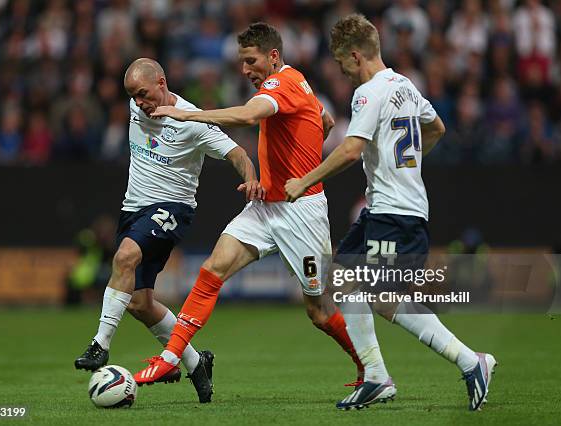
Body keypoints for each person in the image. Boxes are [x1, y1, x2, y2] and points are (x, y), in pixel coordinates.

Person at [132, 23, 366, 389]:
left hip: (302, 211)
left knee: (318, 312)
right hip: (265, 206)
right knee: (213, 269)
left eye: (251, 61)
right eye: (242, 62)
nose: (245, 70)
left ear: (273, 57)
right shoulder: (299, 81)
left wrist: (188, 114)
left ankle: (367, 368)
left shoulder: (281, 84)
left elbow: (248, 115)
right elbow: (326, 119)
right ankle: (170, 358)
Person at [284, 14, 497, 411]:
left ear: (354, 55)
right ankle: (377, 376)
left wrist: (302, 181)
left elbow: (350, 149)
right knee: (343, 280)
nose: (343, 73)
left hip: (395, 214)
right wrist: (408, 167)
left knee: (381, 296)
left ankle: (471, 361)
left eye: (343, 64)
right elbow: (436, 129)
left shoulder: (368, 93)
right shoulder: (405, 85)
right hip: (388, 210)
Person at [74, 58, 263, 404]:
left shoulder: (191, 120)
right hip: (132, 210)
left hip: (171, 209)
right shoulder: (136, 106)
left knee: (125, 255)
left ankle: (100, 345)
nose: (140, 103)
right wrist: (138, 101)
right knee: (140, 303)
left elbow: (237, 153)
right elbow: (137, 102)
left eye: (144, 94)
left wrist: (250, 178)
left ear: (162, 82)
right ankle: (196, 363)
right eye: (133, 96)